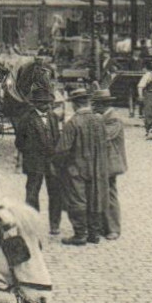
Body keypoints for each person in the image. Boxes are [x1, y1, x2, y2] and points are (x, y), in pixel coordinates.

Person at [55, 89, 112, 246]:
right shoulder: (99, 120)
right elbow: (107, 143)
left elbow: (62, 149)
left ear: (74, 104)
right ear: (87, 103)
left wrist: (58, 166)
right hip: (98, 167)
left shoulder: (73, 123)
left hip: (77, 168)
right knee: (95, 197)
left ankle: (80, 234)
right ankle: (94, 233)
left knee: (77, 200)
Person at [15, 95, 65, 236]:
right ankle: (32, 224)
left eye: (48, 102)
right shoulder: (26, 119)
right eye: (42, 102)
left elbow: (56, 137)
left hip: (51, 161)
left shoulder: (53, 117)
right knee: (32, 193)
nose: (46, 105)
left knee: (55, 193)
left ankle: (54, 225)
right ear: (35, 103)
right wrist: (31, 152)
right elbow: (19, 142)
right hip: (34, 162)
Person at [97, 93, 128, 240]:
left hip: (111, 162)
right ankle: (105, 226)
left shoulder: (113, 118)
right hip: (105, 161)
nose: (94, 107)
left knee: (110, 194)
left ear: (103, 104)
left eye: (96, 104)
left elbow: (105, 136)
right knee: (103, 193)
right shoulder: (105, 116)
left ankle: (114, 228)